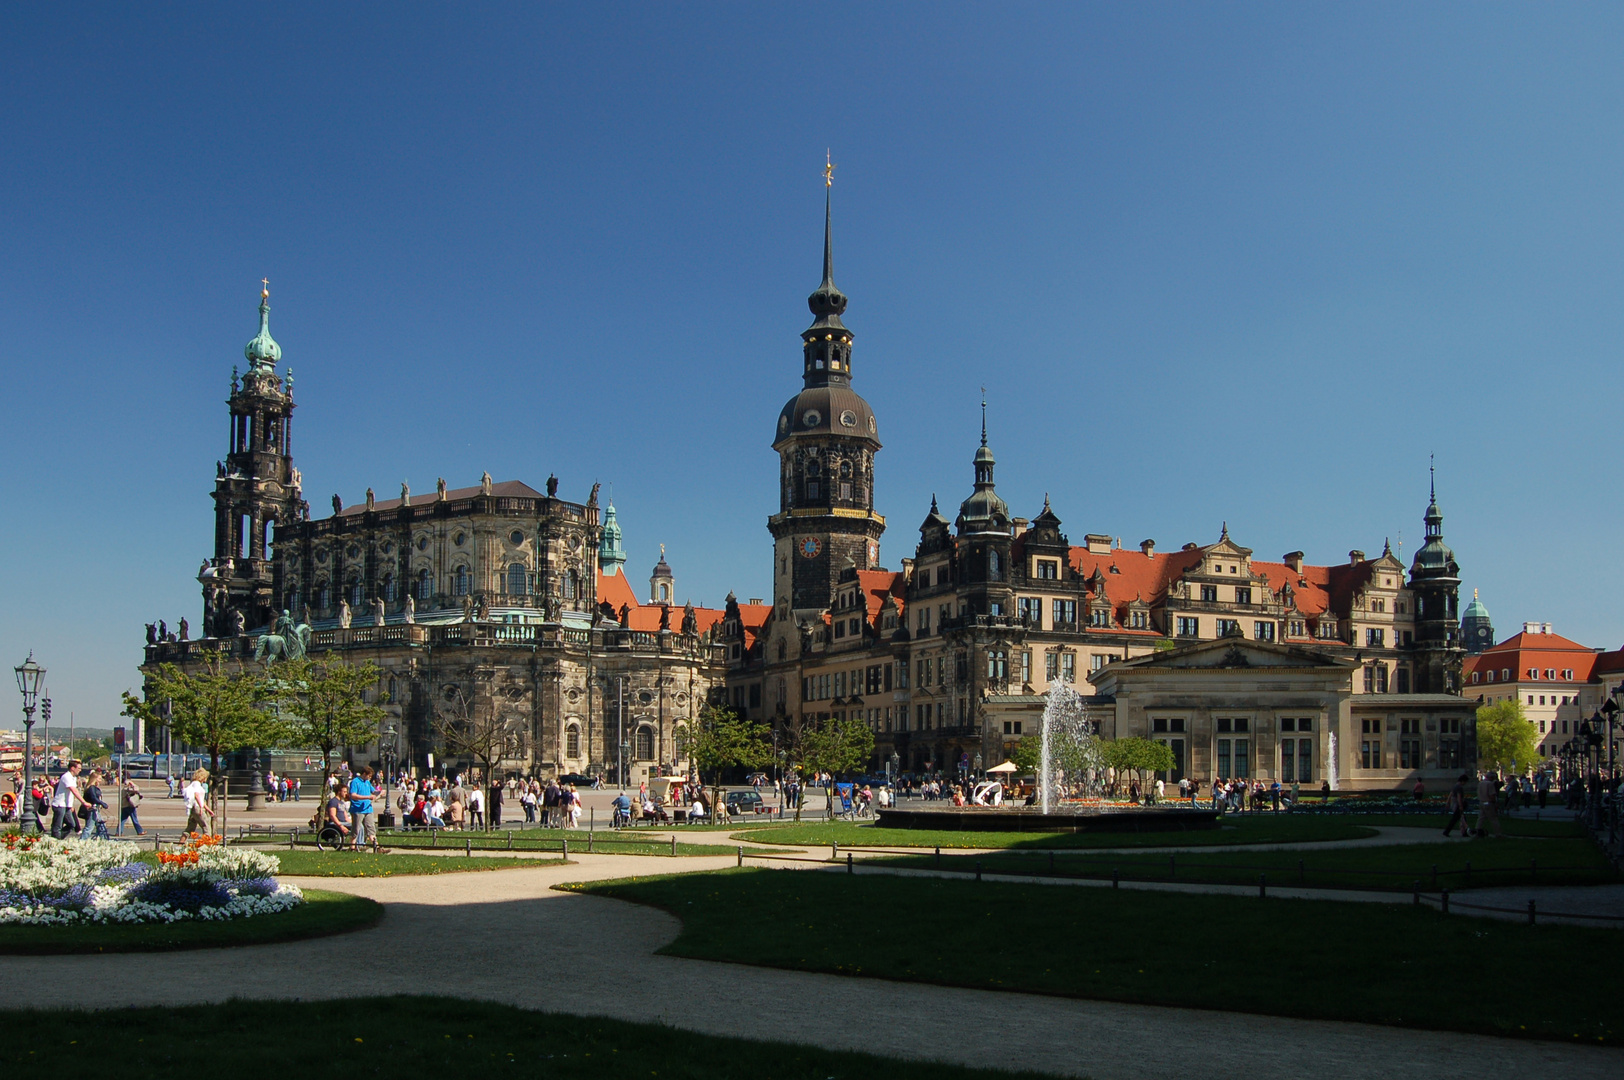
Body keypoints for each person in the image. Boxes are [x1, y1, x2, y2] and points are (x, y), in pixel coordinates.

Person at [51, 760, 90, 839]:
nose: (80, 770)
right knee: (58, 825)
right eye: (78, 768)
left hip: (66, 805)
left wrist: (71, 805)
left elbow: (71, 794)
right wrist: (84, 802)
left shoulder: (73, 778)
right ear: (72, 768)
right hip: (59, 804)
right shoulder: (66, 776)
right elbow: (73, 790)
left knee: (72, 824)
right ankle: (55, 839)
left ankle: (59, 837)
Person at [347, 766, 377, 850]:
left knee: (371, 828)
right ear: (364, 774)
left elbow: (373, 791)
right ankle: (352, 847)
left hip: (368, 808)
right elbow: (353, 795)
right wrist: (367, 797)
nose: (370, 778)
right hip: (357, 809)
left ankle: (376, 847)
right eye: (369, 776)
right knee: (356, 829)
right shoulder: (355, 782)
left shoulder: (367, 782)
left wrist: (380, 792)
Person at [78, 770, 112, 839]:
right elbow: (93, 798)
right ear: (95, 779)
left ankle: (104, 840)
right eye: (99, 779)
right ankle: (82, 841)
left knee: (101, 826)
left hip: (96, 809)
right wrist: (102, 803)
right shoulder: (91, 788)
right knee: (89, 827)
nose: (100, 780)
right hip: (92, 810)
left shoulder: (93, 787)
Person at [184, 768, 213, 835]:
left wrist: (208, 810)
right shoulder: (196, 784)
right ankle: (207, 843)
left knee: (190, 828)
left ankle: (180, 844)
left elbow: (202, 800)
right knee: (206, 826)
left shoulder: (194, 783)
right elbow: (197, 795)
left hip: (194, 808)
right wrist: (201, 807)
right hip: (197, 808)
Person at [1475, 771, 1503, 838]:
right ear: (1491, 777)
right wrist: (1495, 803)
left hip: (1481, 802)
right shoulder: (1490, 784)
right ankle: (1498, 833)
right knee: (1493, 818)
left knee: (1480, 819)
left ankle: (1477, 832)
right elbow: (1492, 795)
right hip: (1489, 803)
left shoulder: (1480, 783)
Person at [1442, 773, 1469, 838]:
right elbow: (1459, 797)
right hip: (1457, 805)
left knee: (1460, 819)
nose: (1465, 783)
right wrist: (1460, 806)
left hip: (1453, 804)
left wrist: (1448, 802)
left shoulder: (1455, 786)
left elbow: (1450, 794)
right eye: (1465, 782)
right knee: (1457, 819)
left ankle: (1464, 832)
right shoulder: (1459, 787)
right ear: (1462, 781)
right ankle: (1448, 831)